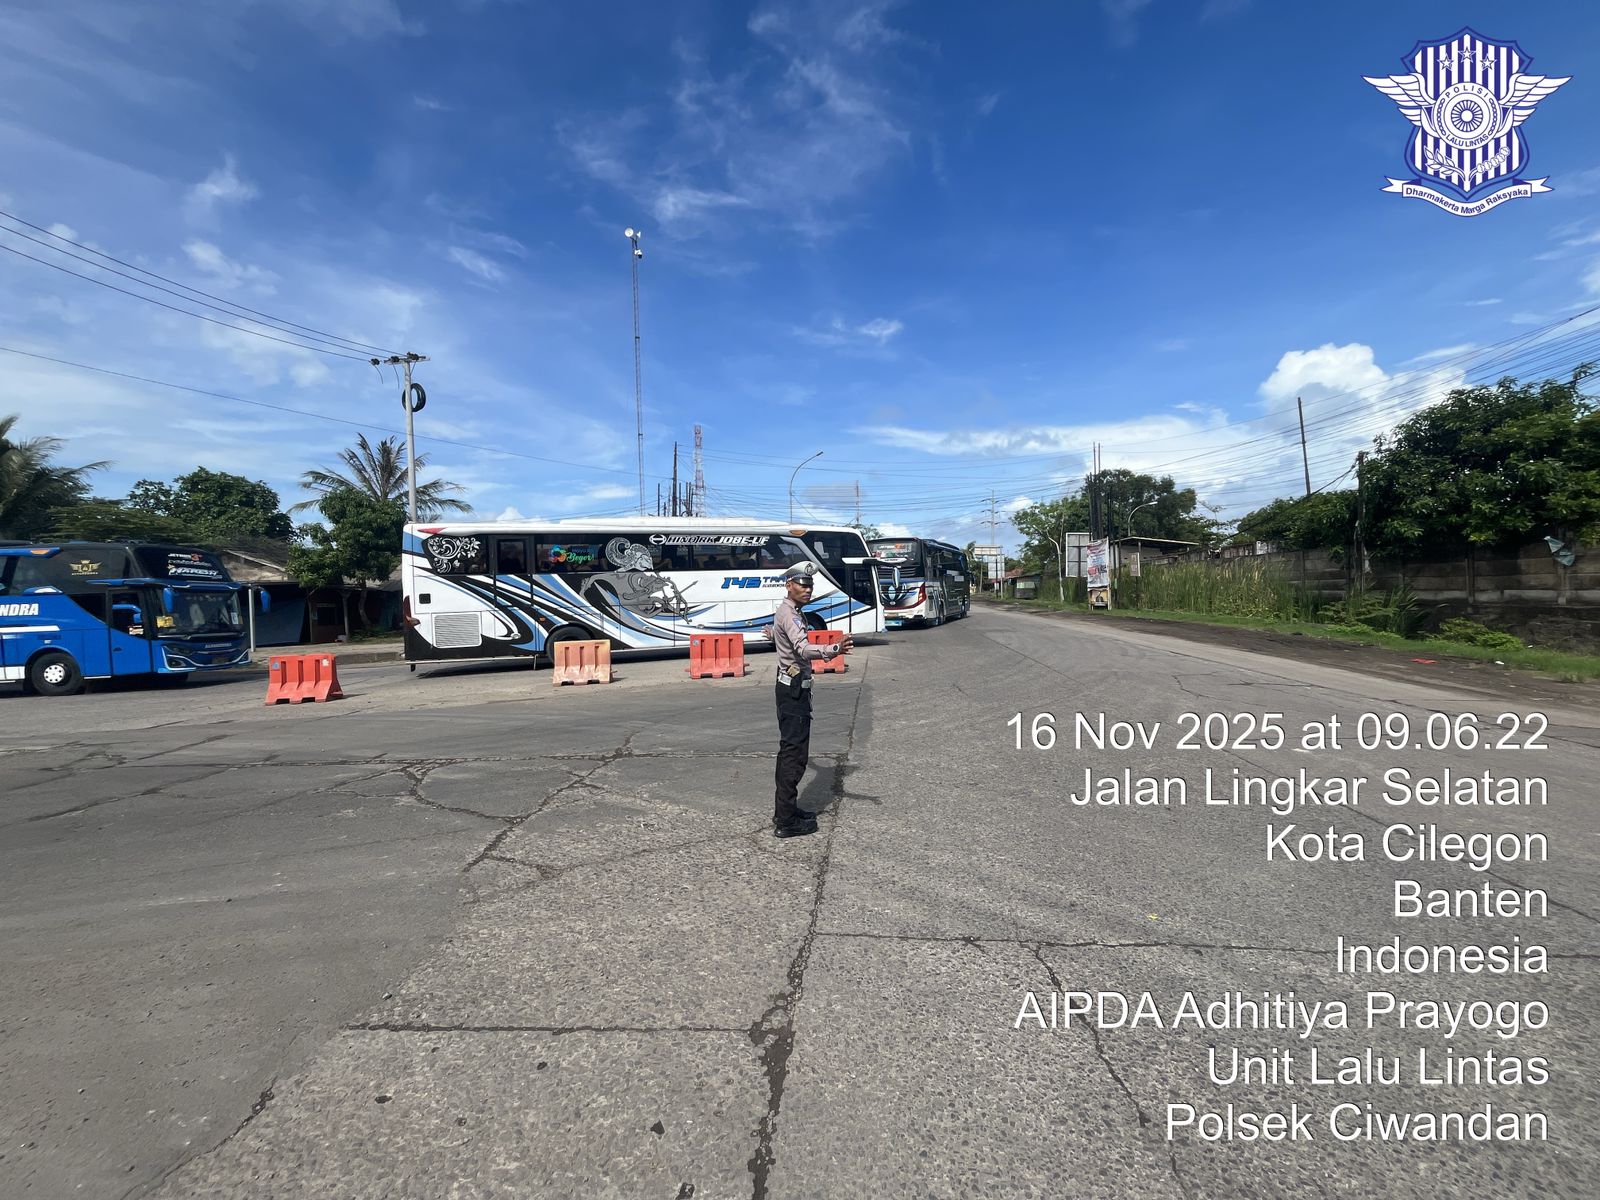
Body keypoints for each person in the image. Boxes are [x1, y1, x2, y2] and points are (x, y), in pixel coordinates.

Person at [770, 561, 853, 838]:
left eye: (810, 585)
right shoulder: (790, 614)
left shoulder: (789, 612)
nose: (808, 590)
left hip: (791, 687)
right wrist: (834, 648)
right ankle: (786, 821)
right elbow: (803, 649)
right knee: (793, 755)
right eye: (802, 585)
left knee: (793, 752)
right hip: (793, 691)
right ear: (789, 585)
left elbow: (786, 641)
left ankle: (786, 810)